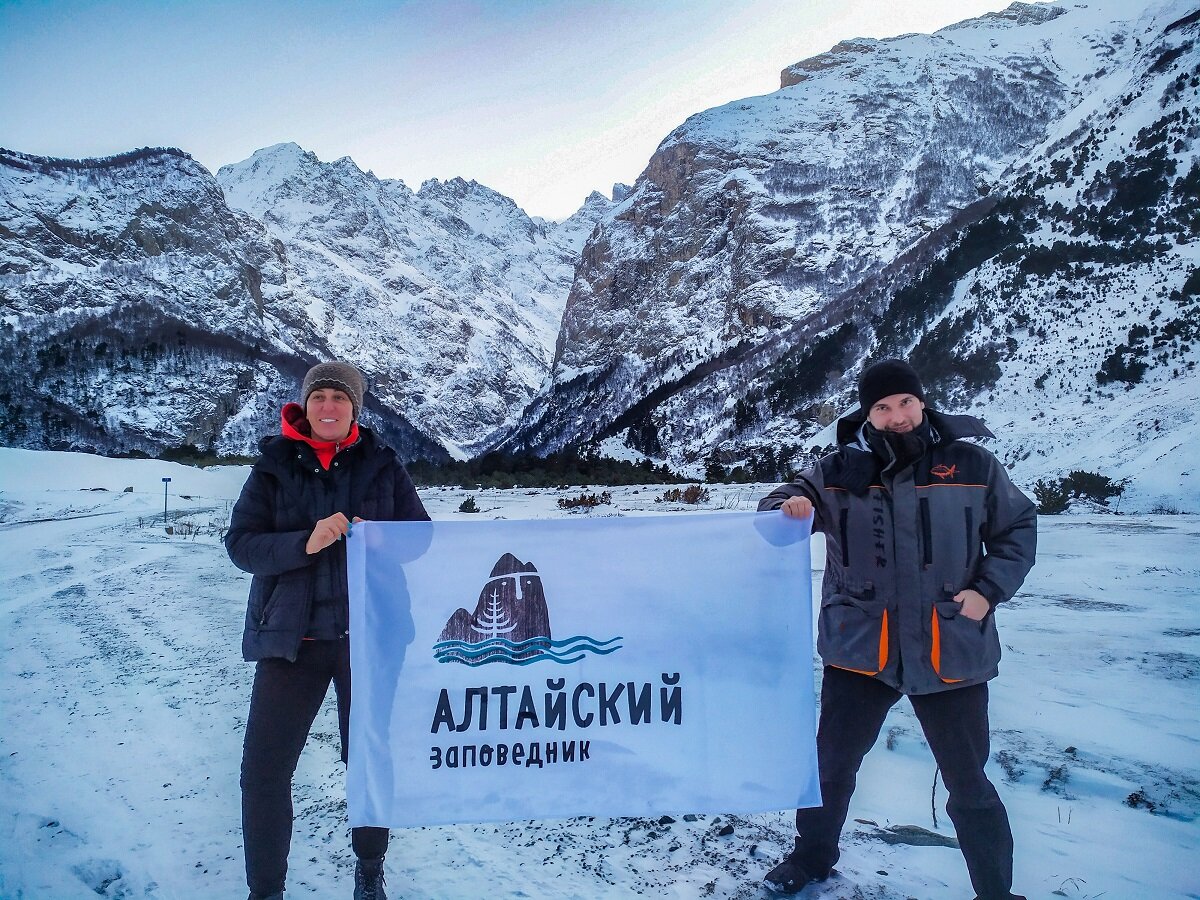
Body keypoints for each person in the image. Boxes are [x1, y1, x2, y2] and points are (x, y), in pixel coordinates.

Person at [758, 358, 1036, 900]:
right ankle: (812, 857)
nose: (897, 416)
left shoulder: (972, 464)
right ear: (868, 414)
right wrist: (785, 507)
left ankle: (996, 893)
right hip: (862, 647)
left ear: (922, 401)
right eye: (882, 407)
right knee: (830, 767)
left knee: (969, 782)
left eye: (904, 402)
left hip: (947, 645)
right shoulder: (837, 470)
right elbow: (776, 511)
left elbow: (1017, 527)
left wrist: (986, 593)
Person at [226, 361, 429, 900]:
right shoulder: (273, 465)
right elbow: (242, 546)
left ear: (355, 410)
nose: (329, 408)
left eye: (340, 399)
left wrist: (381, 539)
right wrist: (304, 543)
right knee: (264, 771)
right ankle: (265, 890)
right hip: (292, 641)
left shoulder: (383, 464)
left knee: (367, 760)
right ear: (305, 407)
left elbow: (420, 538)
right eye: (320, 398)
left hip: (369, 641)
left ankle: (369, 870)